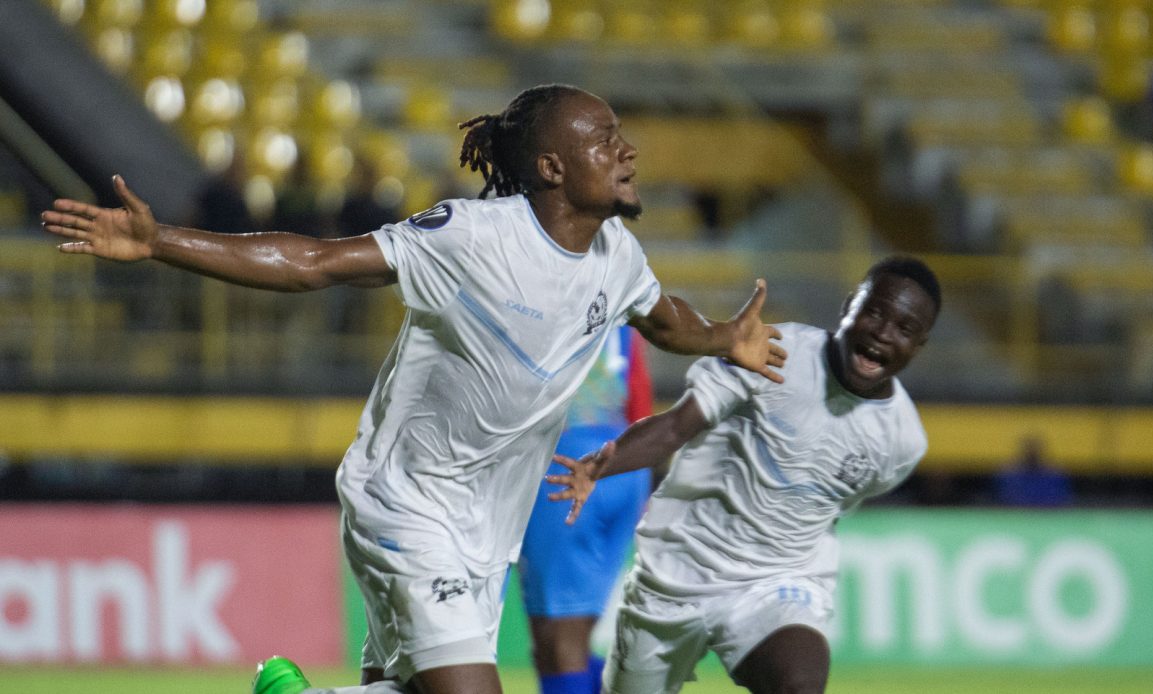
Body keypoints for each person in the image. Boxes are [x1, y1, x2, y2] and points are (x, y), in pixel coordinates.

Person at [40, 83, 787, 694]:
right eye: (603, 137)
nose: (625, 150)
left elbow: (663, 321)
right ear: (554, 168)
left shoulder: (616, 254)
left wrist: (727, 337)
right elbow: (315, 263)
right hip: (408, 502)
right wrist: (162, 241)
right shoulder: (473, 238)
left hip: (488, 529)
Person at [549, 256, 941, 694]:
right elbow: (678, 426)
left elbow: (833, 503)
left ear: (919, 345)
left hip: (778, 582)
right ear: (850, 306)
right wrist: (598, 466)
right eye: (874, 313)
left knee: (799, 683)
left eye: (904, 330)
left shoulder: (903, 440)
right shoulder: (774, 352)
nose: (884, 334)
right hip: (677, 572)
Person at [518, 323, 654, 694]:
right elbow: (639, 397)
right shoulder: (621, 312)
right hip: (625, 464)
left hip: (568, 462)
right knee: (572, 633)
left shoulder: (545, 297)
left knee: (558, 636)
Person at [992, 435, 1073, 508]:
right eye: (1028, 449)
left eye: (1035, 450)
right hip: (1015, 517)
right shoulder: (1009, 475)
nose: (1031, 453)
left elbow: (1062, 500)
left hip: (1048, 516)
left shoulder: (1054, 475)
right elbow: (1002, 500)